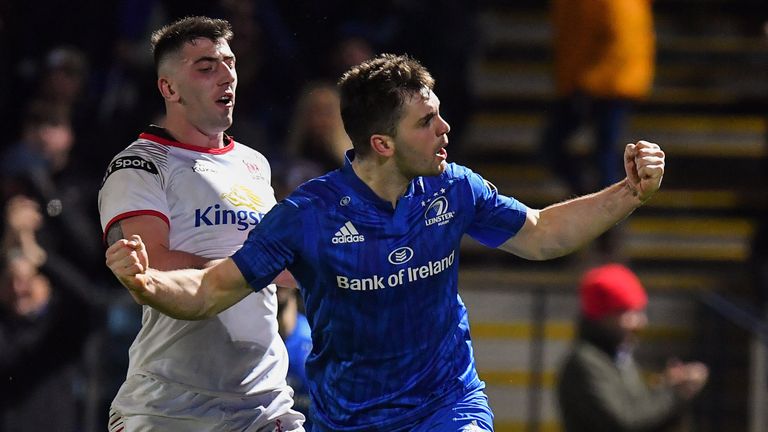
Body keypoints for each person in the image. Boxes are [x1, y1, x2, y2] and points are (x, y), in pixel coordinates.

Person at [105, 54, 665, 432]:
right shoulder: (307, 215)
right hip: (349, 419)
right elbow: (209, 289)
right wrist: (147, 281)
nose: (445, 129)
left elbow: (542, 235)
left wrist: (628, 193)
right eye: (426, 121)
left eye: (439, 114)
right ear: (382, 142)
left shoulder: (454, 188)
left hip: (446, 404)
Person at [97, 16, 304, 431]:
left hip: (264, 403)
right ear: (169, 87)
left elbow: (285, 264)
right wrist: (250, 270)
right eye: (206, 68)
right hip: (169, 408)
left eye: (230, 64)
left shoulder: (254, 164)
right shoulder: (140, 165)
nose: (226, 76)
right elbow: (152, 268)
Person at [556, 263, 709, 431]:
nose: (640, 322)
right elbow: (625, 422)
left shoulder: (618, 357)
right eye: (628, 313)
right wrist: (674, 393)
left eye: (640, 312)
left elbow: (641, 413)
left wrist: (666, 388)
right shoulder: (585, 363)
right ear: (602, 316)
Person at [540, 0, 655, 195]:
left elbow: (615, 41)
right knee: (601, 155)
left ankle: (604, 212)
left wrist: (583, 84)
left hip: (606, 83)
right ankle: (595, 207)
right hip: (602, 80)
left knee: (603, 156)